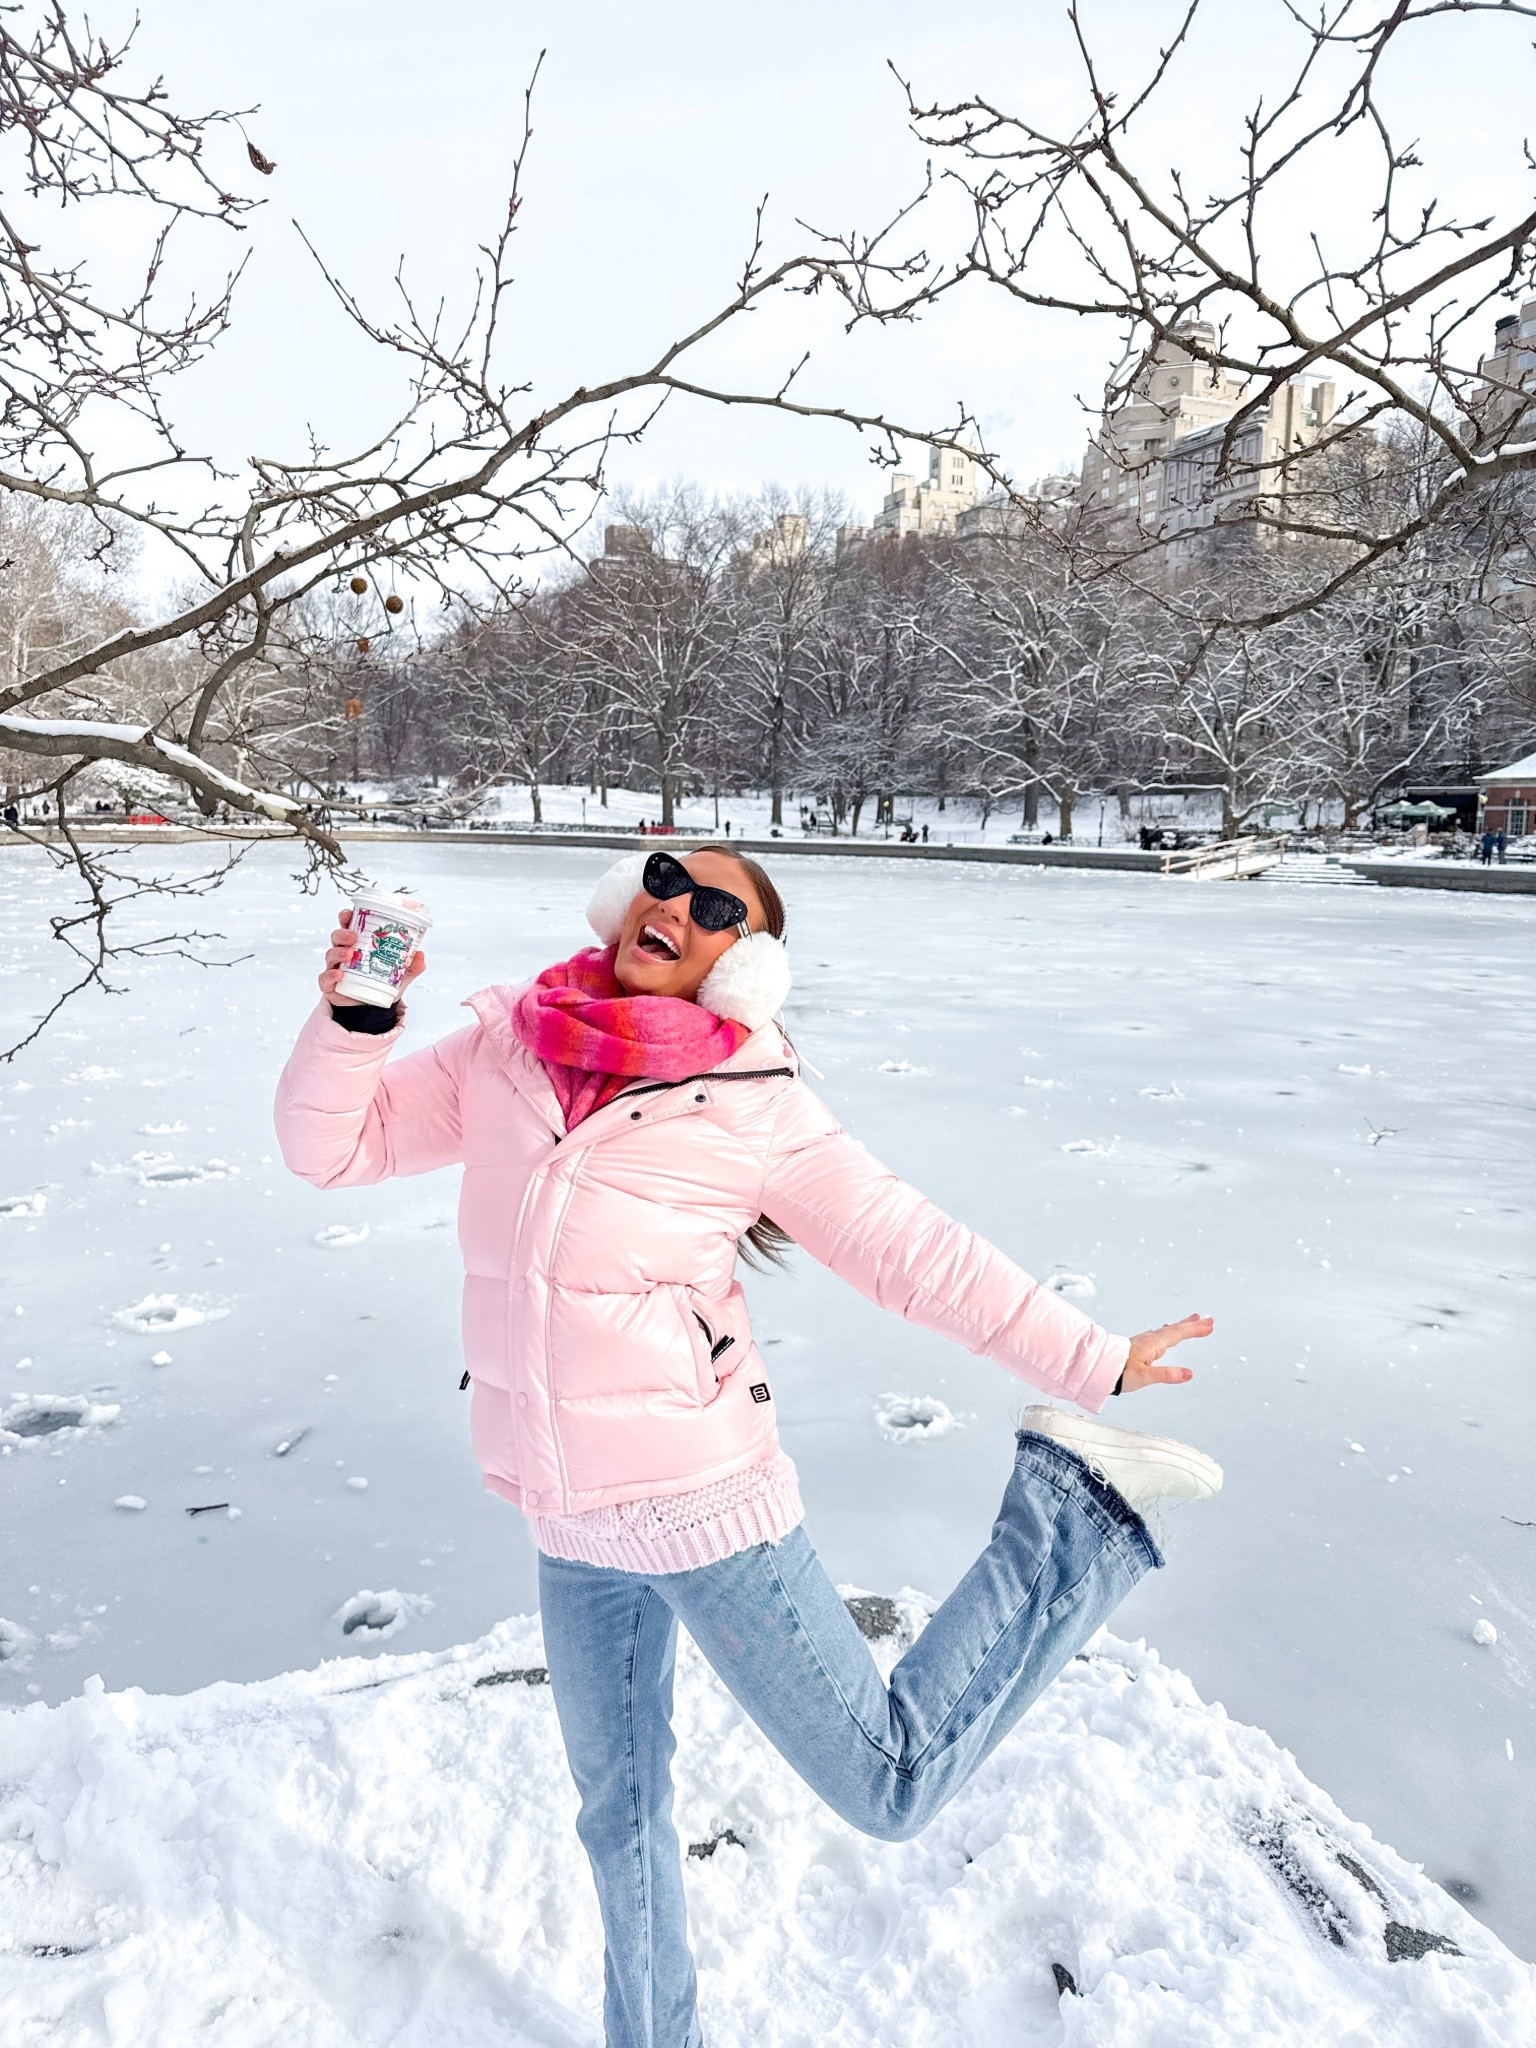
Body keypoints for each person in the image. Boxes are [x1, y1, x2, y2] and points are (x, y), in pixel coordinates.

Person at [274, 847, 1221, 2048]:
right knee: (618, 1813)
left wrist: (1094, 1356)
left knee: (888, 1784)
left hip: (700, 1498)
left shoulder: (757, 1099)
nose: (677, 903)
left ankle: (1077, 1506)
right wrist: (357, 1015)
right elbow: (333, 1148)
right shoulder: (512, 1043)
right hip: (569, 1516)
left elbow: (912, 1250)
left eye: (718, 907)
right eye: (666, 876)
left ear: (746, 963)